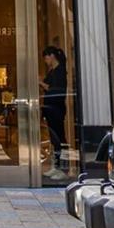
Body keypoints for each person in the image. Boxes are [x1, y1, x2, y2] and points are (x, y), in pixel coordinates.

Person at [40, 45, 68, 180]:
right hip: (50, 109)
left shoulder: (60, 71)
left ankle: (63, 169)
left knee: (60, 139)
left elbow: (54, 90)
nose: (46, 61)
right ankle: (55, 167)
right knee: (54, 140)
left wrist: (41, 83)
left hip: (56, 109)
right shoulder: (52, 71)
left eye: (46, 58)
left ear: (52, 56)